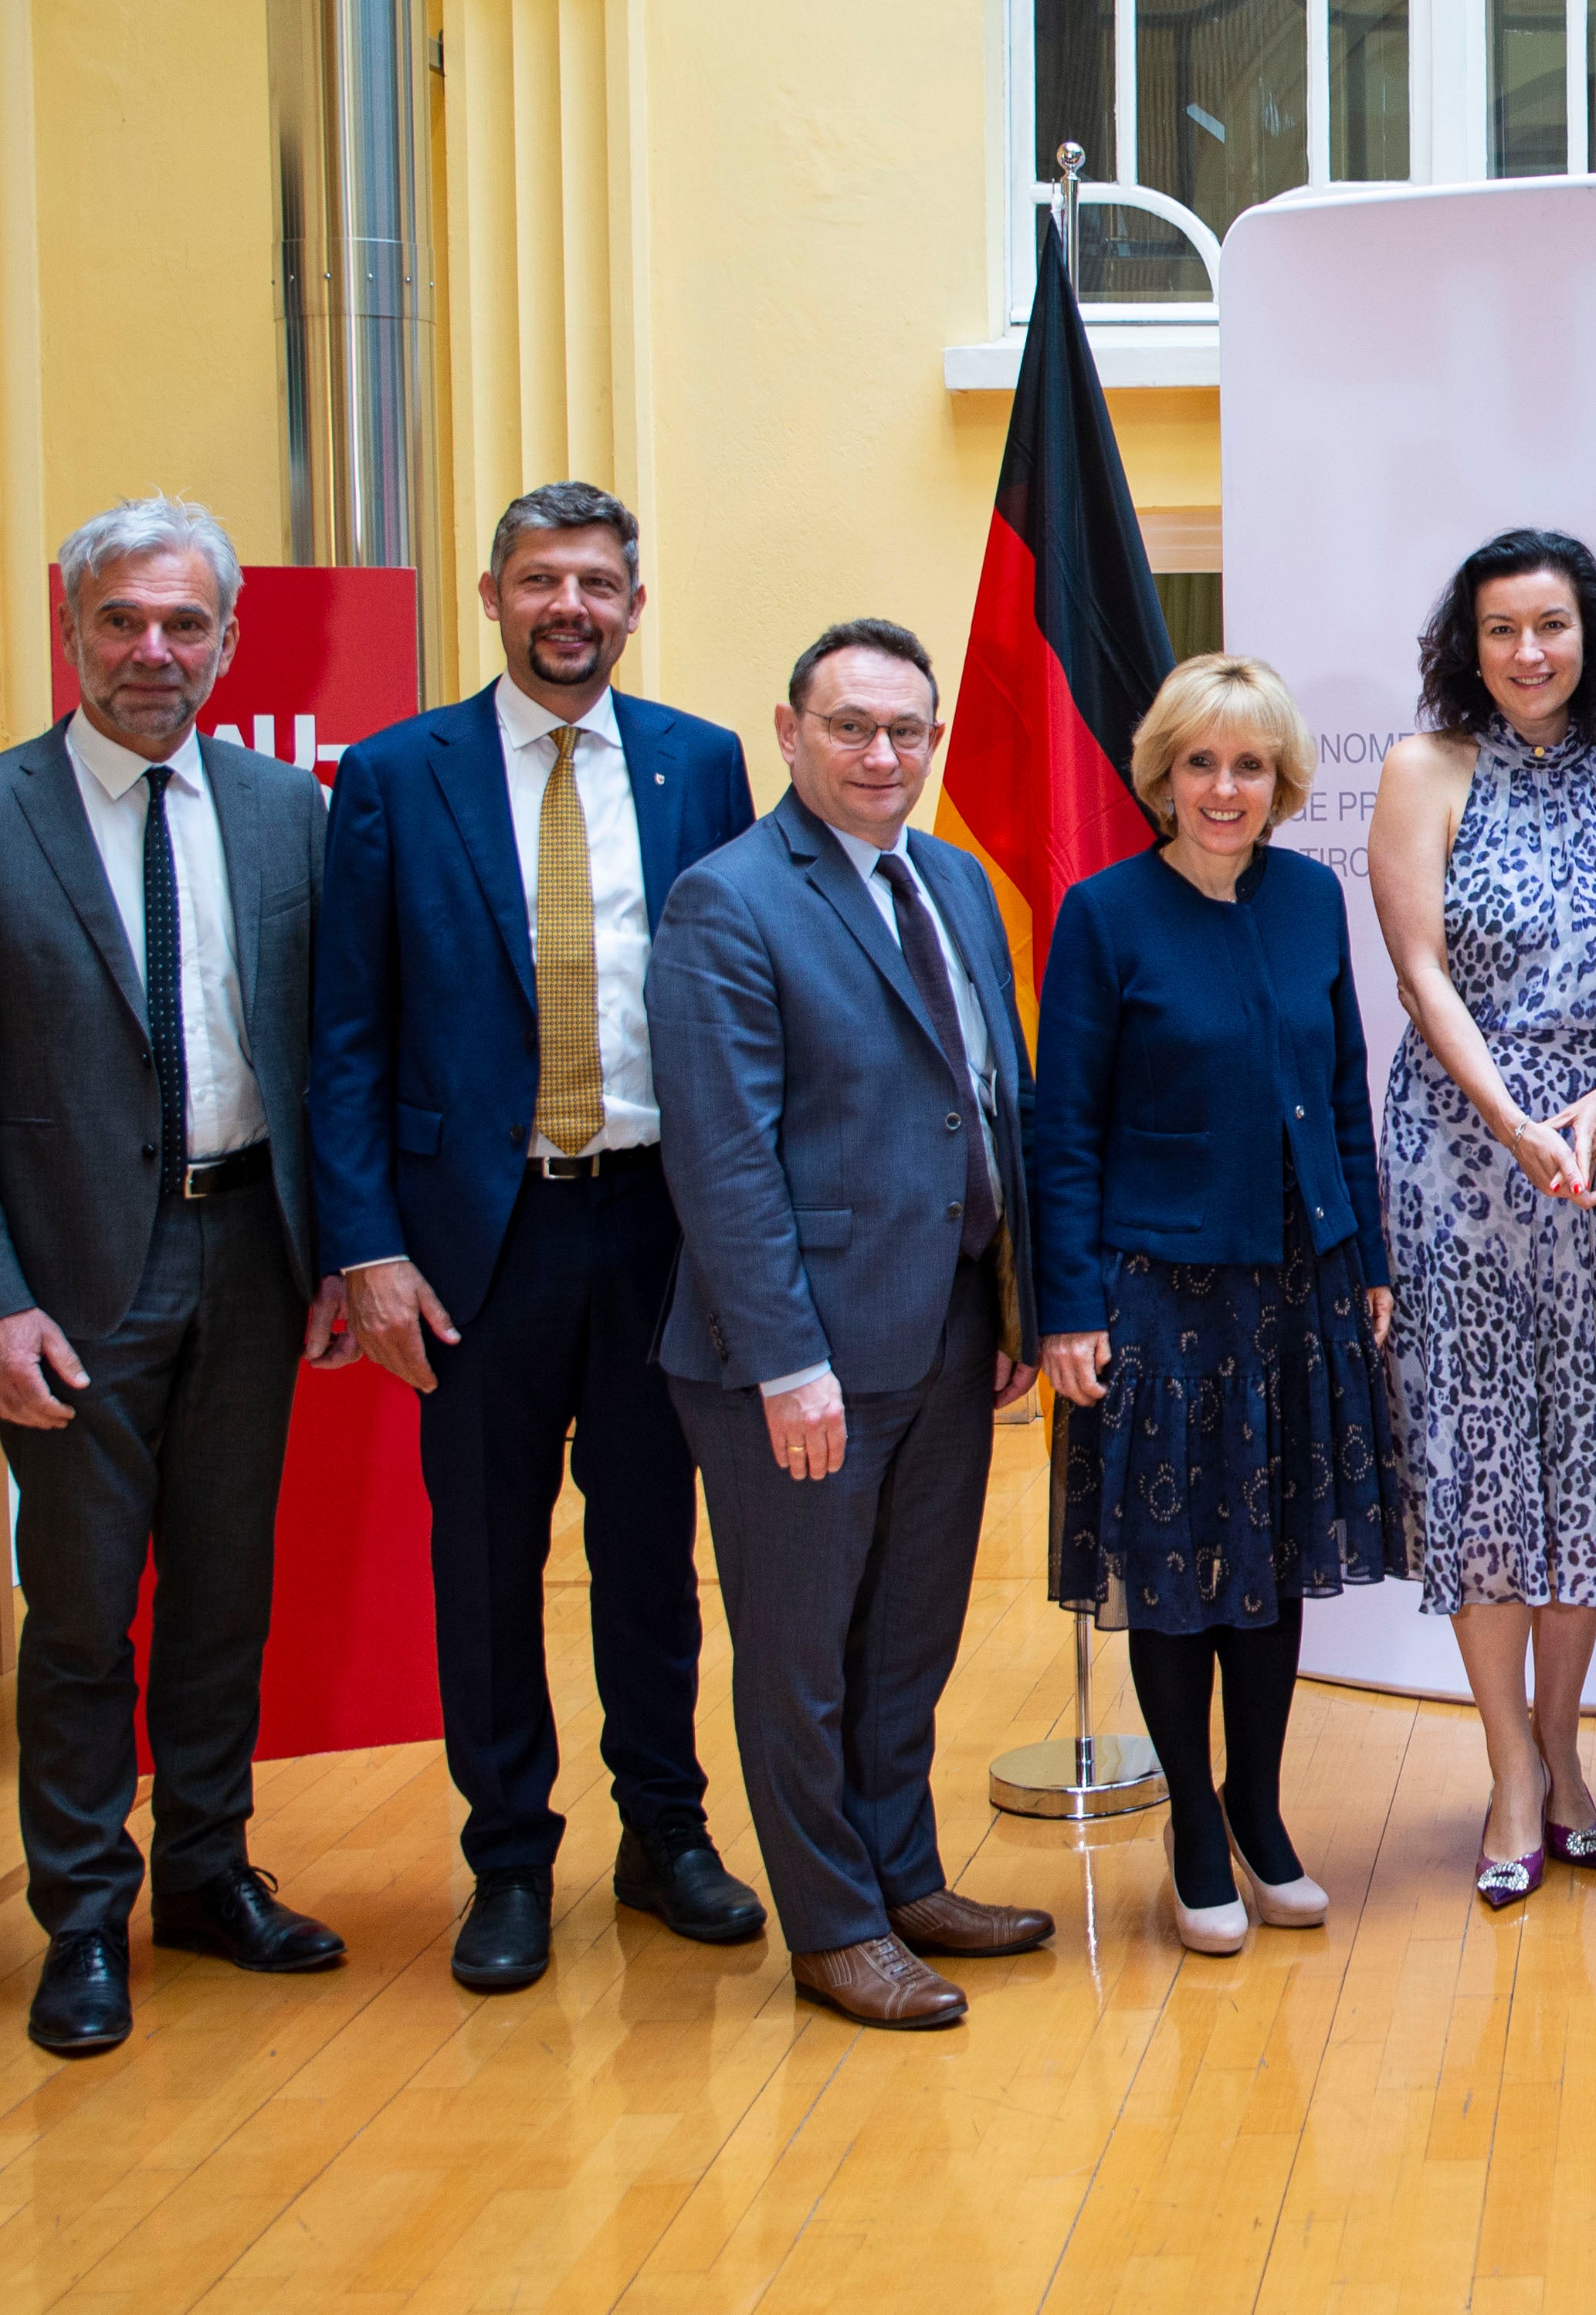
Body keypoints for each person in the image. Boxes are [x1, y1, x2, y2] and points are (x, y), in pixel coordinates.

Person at [0, 496, 357, 2057]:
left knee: (226, 1594)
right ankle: (81, 1913)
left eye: (183, 624)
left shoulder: (287, 808)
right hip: (71, 1280)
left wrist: (332, 1246)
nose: (152, 651)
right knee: (84, 1610)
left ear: (227, 640)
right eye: (121, 621)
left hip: (250, 1251)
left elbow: (316, 1048)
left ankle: (207, 1873)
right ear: (71, 628)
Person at [313, 481, 767, 1992]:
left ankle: (665, 1833)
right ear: (492, 594)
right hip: (472, 1245)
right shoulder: (393, 775)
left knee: (654, 1555)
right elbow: (348, 1034)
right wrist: (366, 1242)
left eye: (595, 582)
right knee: (487, 1566)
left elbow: (738, 997)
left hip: (657, 1228)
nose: (568, 606)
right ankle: (507, 1857)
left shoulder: (701, 767)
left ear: (634, 605)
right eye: (538, 580)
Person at [650, 618, 1052, 2030]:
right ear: (788, 732)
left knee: (907, 1638)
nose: (883, 755)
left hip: (946, 1329)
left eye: (907, 731)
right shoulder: (729, 900)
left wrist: (1010, 1298)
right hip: (798, 1355)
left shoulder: (946, 876)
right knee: (802, 1649)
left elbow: (987, 1102)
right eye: (851, 728)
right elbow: (721, 1158)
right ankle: (831, 1924)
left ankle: (903, 1874)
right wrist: (787, 1364)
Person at [1033, 652, 1404, 1954]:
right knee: (1177, 1567)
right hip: (1154, 1294)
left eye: (1250, 764)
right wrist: (1066, 1306)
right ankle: (1193, 1820)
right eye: (1202, 763)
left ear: (1282, 778)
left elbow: (1345, 1090)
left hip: (1300, 1283)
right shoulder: (1102, 912)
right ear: (1163, 776)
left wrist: (1366, 1260)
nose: (1226, 788)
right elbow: (1062, 1126)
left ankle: (1259, 1805)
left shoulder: (1311, 901)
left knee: (1276, 1557)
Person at [1372, 536, 1596, 1910]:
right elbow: (1420, 972)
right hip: (1459, 1156)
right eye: (1500, 629)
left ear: (1590, 632)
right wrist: (1512, 1121)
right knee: (1482, 1457)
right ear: (1469, 642)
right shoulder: (1418, 769)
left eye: (1550, 625)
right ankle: (1509, 1764)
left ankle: (1567, 1745)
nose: (1527, 653)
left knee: (1590, 1455)